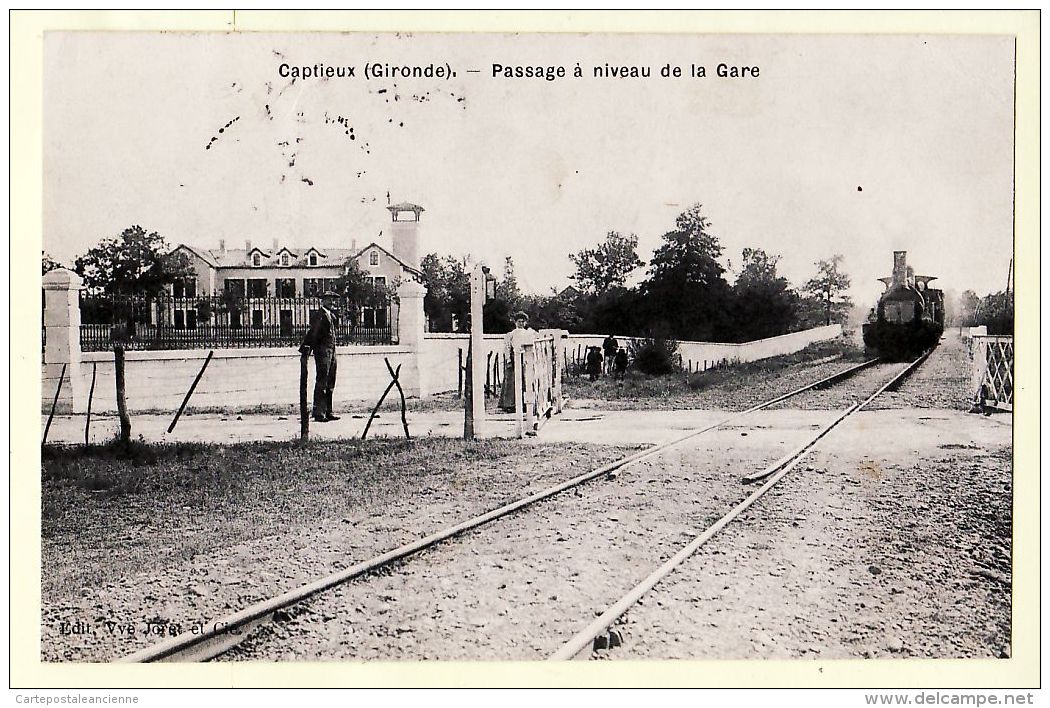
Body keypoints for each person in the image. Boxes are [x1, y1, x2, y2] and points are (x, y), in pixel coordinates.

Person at [299, 291, 341, 423]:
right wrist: (306, 348)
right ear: (323, 301)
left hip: (332, 351)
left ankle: (328, 411)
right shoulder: (319, 316)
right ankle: (319, 413)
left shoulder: (331, 316)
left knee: (330, 382)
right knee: (322, 381)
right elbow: (313, 333)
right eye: (329, 300)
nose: (332, 303)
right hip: (323, 352)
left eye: (334, 300)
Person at [499, 311, 535, 413]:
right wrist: (508, 360)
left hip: (525, 357)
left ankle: (525, 404)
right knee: (511, 381)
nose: (521, 323)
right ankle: (510, 404)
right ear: (515, 322)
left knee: (525, 380)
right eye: (519, 321)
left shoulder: (529, 333)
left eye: (523, 322)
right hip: (514, 358)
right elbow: (507, 347)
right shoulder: (511, 334)